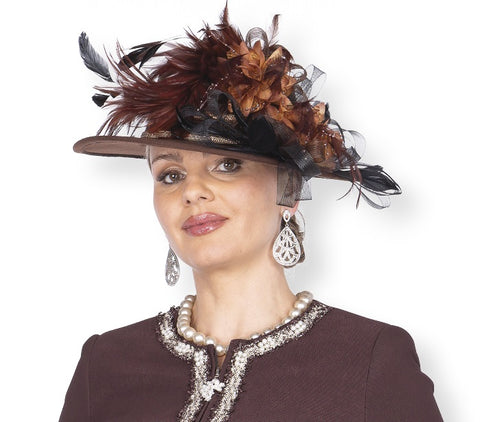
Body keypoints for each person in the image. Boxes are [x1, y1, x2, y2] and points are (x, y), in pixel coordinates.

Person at [59, 7, 443, 421]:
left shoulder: (369, 360)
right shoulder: (105, 365)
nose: (192, 191)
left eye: (227, 165)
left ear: (288, 189)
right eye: (170, 175)